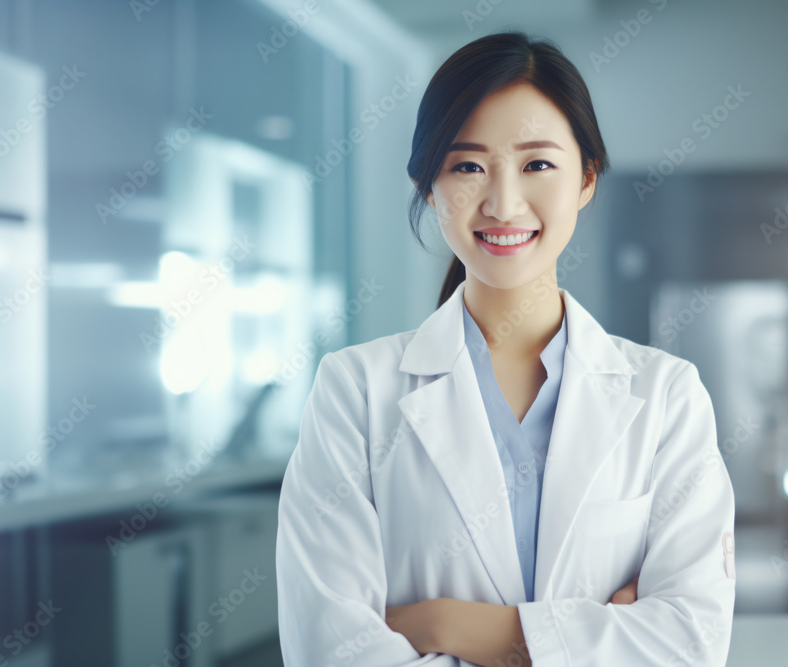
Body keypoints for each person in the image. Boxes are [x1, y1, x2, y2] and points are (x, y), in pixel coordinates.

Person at [276, 30, 736, 666]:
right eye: (467, 166)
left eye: (538, 164)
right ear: (428, 185)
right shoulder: (355, 391)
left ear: (587, 179)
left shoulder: (666, 395)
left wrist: (446, 625)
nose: (503, 201)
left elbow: (690, 644)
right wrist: (588, 639)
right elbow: (331, 650)